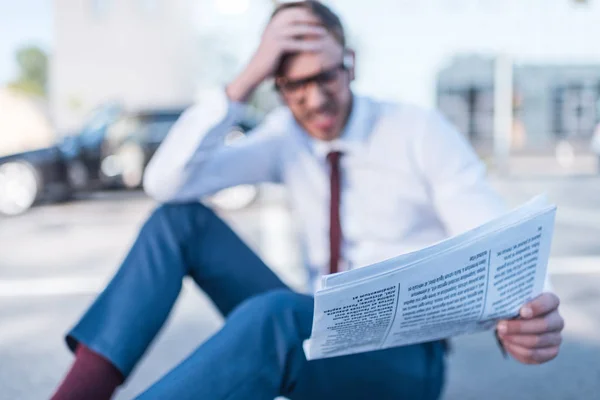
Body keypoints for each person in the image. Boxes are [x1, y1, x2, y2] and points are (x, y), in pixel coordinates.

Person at [52, 2, 565, 399]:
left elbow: (497, 234)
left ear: (351, 64)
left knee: (274, 316)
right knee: (176, 223)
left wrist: (527, 316)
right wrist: (240, 83)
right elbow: (166, 182)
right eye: (294, 85)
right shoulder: (283, 138)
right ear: (275, 85)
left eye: (325, 76)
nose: (314, 98)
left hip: (407, 362)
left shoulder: (417, 131)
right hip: (324, 333)